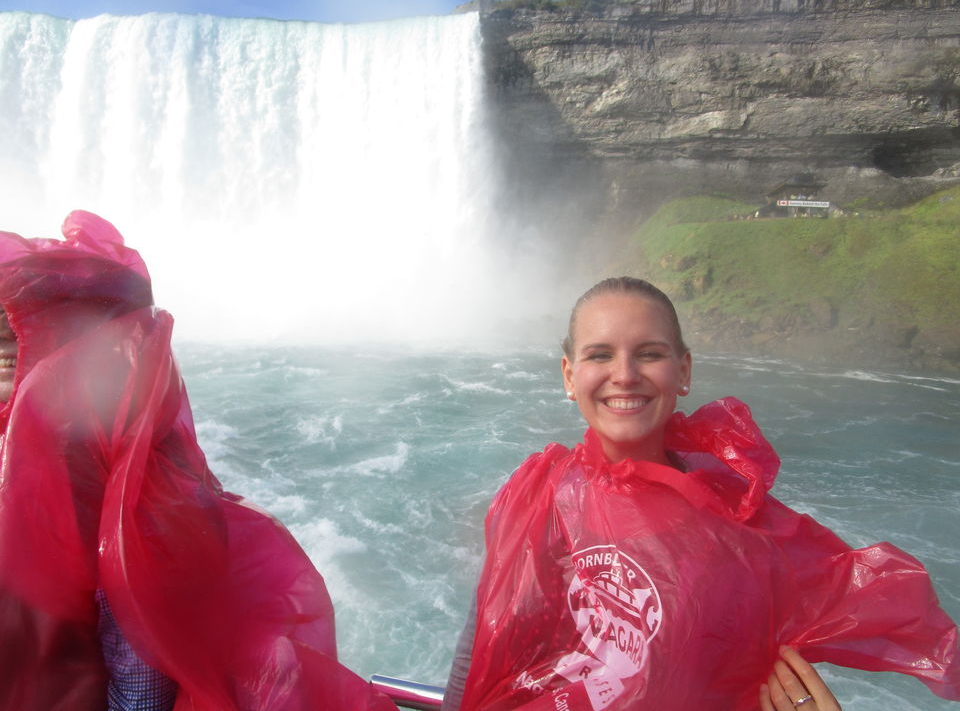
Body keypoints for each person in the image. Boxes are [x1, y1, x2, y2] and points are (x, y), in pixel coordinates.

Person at [443, 277, 959, 711]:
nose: (624, 374)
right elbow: (478, 652)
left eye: (649, 354)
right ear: (569, 376)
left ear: (683, 371)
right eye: (600, 354)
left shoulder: (738, 530)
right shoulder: (540, 493)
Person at [0, 211, 394, 711]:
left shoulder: (137, 525)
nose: (5, 344)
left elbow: (137, 696)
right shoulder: (45, 469)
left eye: (21, 327)